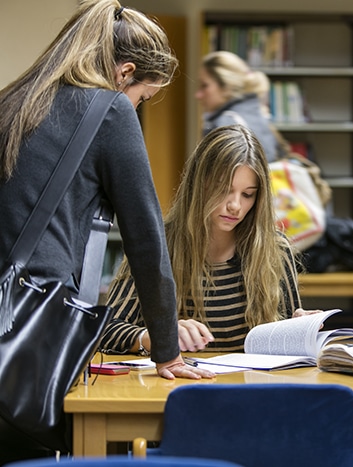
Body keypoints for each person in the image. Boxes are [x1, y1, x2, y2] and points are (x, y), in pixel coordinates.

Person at [0, 1, 213, 462]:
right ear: (125, 73)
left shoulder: (13, 99)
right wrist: (166, 349)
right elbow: (146, 237)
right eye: (144, 97)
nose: (139, 108)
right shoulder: (111, 109)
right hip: (34, 324)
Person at [99, 125, 319, 354]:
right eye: (223, 189)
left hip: (251, 386)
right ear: (199, 184)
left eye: (247, 194)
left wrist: (299, 327)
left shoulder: (275, 250)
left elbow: (289, 351)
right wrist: (156, 335)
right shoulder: (157, 245)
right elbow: (106, 331)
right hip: (177, 386)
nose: (235, 206)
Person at [196, 50, 280, 161]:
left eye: (204, 85)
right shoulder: (257, 115)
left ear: (226, 87)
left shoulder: (226, 126)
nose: (198, 95)